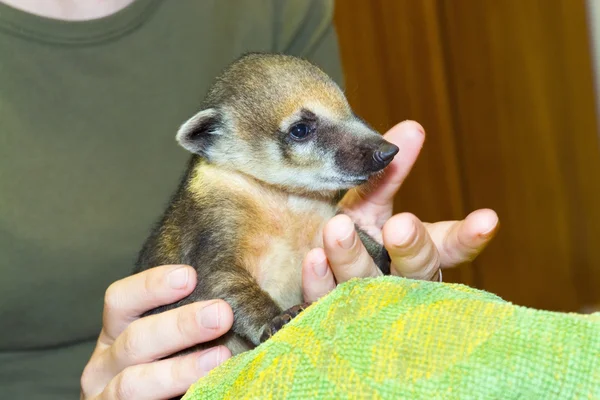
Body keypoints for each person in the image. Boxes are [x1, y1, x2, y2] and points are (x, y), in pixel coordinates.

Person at [0, 0, 499, 399]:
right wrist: (270, 324)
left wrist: (387, 277)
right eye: (302, 131)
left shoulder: (277, 10)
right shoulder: (219, 192)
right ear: (216, 139)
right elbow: (221, 281)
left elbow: (326, 247)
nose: (372, 144)